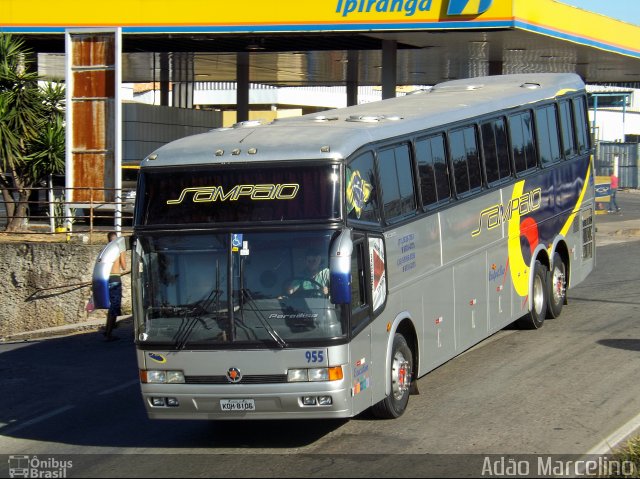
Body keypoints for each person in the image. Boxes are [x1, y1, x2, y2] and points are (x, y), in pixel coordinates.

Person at [104, 231, 127, 340]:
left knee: (111, 306)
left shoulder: (105, 250)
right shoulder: (118, 250)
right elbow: (124, 266)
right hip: (115, 279)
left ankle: (107, 329)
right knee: (115, 307)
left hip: (106, 280)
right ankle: (109, 333)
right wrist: (123, 253)